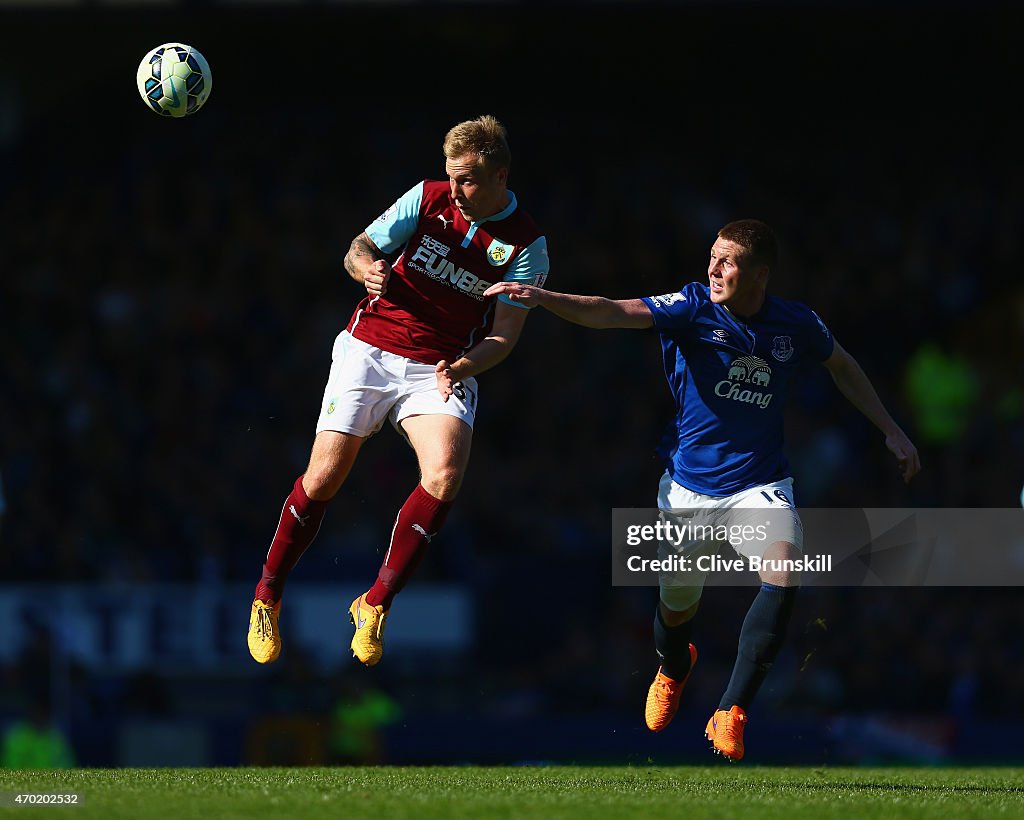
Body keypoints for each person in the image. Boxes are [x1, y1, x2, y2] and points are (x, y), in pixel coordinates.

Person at [484, 219, 919, 761]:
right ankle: (673, 667)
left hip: (759, 485)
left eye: (728, 261)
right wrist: (545, 297)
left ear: (759, 275)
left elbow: (844, 366)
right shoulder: (691, 307)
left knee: (785, 566)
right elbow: (610, 310)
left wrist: (891, 429)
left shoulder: (796, 324)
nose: (713, 269)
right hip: (688, 492)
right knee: (676, 608)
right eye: (712, 256)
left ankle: (730, 711)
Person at [248, 115, 549, 667]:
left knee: (446, 475)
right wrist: (367, 269)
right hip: (369, 346)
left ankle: (375, 603)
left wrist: (464, 365)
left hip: (439, 365)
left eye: (469, 179)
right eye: (452, 177)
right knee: (325, 475)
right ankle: (267, 594)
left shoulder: (527, 245)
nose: (456, 190)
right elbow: (357, 248)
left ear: (501, 174)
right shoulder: (428, 198)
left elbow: (505, 336)